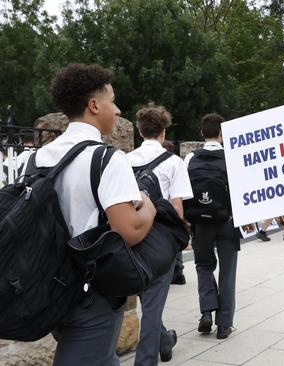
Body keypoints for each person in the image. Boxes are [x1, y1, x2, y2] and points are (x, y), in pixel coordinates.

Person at [45, 63, 156, 365]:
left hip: (47, 286)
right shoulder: (107, 158)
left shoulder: (38, 157)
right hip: (91, 291)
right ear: (94, 106)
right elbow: (128, 231)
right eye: (112, 101)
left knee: (102, 357)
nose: (118, 110)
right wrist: (149, 206)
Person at [127, 104, 193, 364]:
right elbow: (177, 206)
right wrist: (178, 242)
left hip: (131, 234)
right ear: (163, 132)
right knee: (153, 307)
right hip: (160, 238)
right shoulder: (174, 163)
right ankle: (145, 361)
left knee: (149, 299)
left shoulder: (125, 160)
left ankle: (165, 341)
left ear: (140, 131)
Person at [184, 113, 254, 339]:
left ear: (201, 133)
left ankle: (206, 312)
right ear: (222, 134)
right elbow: (242, 192)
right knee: (228, 271)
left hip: (200, 223)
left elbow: (185, 193)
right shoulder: (232, 157)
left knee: (203, 265)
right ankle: (224, 324)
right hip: (227, 221)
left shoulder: (190, 159)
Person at [161, 139, 187, 285]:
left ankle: (174, 271)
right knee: (176, 243)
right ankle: (178, 271)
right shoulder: (176, 164)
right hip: (173, 210)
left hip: (161, 210)